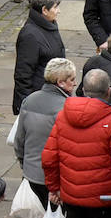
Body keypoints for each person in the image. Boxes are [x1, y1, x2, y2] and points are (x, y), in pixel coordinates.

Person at [42, 68, 111, 218]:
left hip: (74, 196)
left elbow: (49, 158)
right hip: (107, 199)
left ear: (83, 90)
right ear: (109, 91)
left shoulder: (63, 116)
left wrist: (54, 187)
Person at [13, 57, 77, 208]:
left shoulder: (29, 100)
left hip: (31, 174)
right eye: (72, 79)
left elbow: (19, 140)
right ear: (61, 82)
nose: (75, 83)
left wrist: (24, 164)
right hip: (56, 178)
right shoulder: (68, 107)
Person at [12, 0, 65, 115]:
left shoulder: (49, 24)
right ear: (44, 10)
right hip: (39, 102)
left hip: (52, 95)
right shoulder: (30, 35)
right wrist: (25, 106)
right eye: (55, 7)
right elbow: (23, 74)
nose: (59, 11)